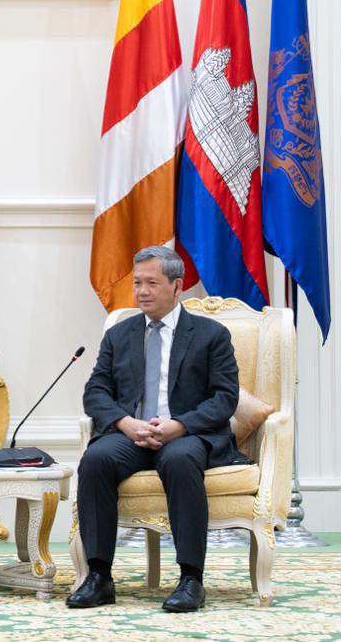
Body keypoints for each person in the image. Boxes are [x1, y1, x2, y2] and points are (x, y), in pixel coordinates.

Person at [67, 245, 242, 613]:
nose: (142, 291)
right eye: (137, 283)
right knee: (96, 458)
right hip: (133, 435)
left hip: (187, 435)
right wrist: (125, 423)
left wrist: (180, 425)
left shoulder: (212, 335)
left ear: (177, 287)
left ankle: (191, 579)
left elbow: (224, 398)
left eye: (151, 283)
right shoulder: (120, 334)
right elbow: (95, 391)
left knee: (179, 461)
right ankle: (99, 577)